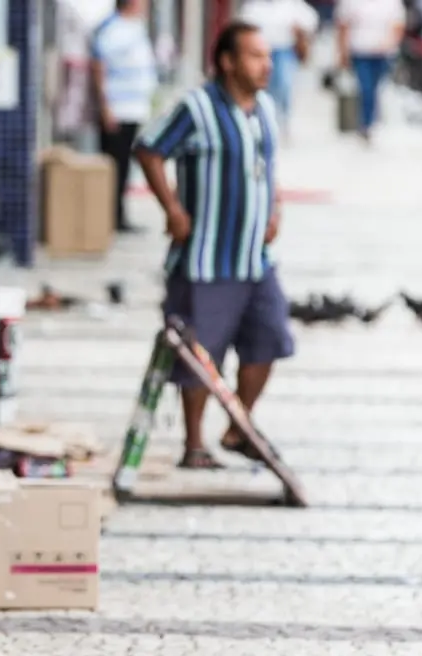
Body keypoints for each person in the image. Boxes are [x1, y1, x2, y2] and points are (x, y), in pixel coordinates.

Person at [133, 22, 295, 470]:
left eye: (266, 56)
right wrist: (172, 208)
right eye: (255, 56)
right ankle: (194, 444)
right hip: (205, 260)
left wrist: (275, 208)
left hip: (254, 259)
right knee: (201, 354)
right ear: (227, 62)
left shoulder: (265, 108)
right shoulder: (197, 107)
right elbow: (149, 148)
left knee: (270, 339)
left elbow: (267, 167)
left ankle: (238, 427)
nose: (266, 65)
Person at [90, 0, 159, 233]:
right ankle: (111, 217)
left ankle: (119, 215)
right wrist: (105, 107)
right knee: (114, 165)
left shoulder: (136, 27)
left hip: (134, 107)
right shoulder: (111, 28)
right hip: (117, 109)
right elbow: (99, 66)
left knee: (125, 165)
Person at [239, 0, 320, 131]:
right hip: (262, 50)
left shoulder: (291, 5)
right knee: (262, 87)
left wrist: (299, 29)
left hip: (284, 51)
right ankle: (264, 118)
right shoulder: (255, 6)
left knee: (284, 85)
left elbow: (311, 19)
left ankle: (283, 119)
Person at [335, 0, 406, 140]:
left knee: (376, 88)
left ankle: (371, 119)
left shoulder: (391, 3)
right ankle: (366, 123)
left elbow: (398, 25)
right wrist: (342, 52)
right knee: (365, 88)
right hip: (360, 51)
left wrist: (389, 44)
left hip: (383, 54)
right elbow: (343, 25)